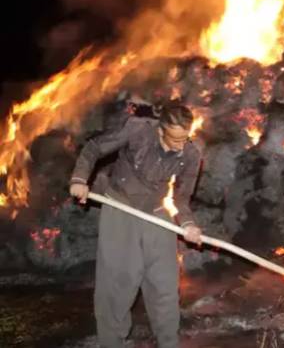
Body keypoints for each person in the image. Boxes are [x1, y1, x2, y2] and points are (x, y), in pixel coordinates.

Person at [69, 102, 203, 348]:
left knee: (165, 287)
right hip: (121, 210)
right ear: (160, 130)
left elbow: (182, 198)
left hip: (157, 214)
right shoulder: (137, 130)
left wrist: (188, 224)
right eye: (175, 139)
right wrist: (79, 179)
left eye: (184, 138)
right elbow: (94, 147)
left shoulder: (192, 155)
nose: (180, 145)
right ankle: (112, 343)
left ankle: (168, 343)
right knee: (118, 285)